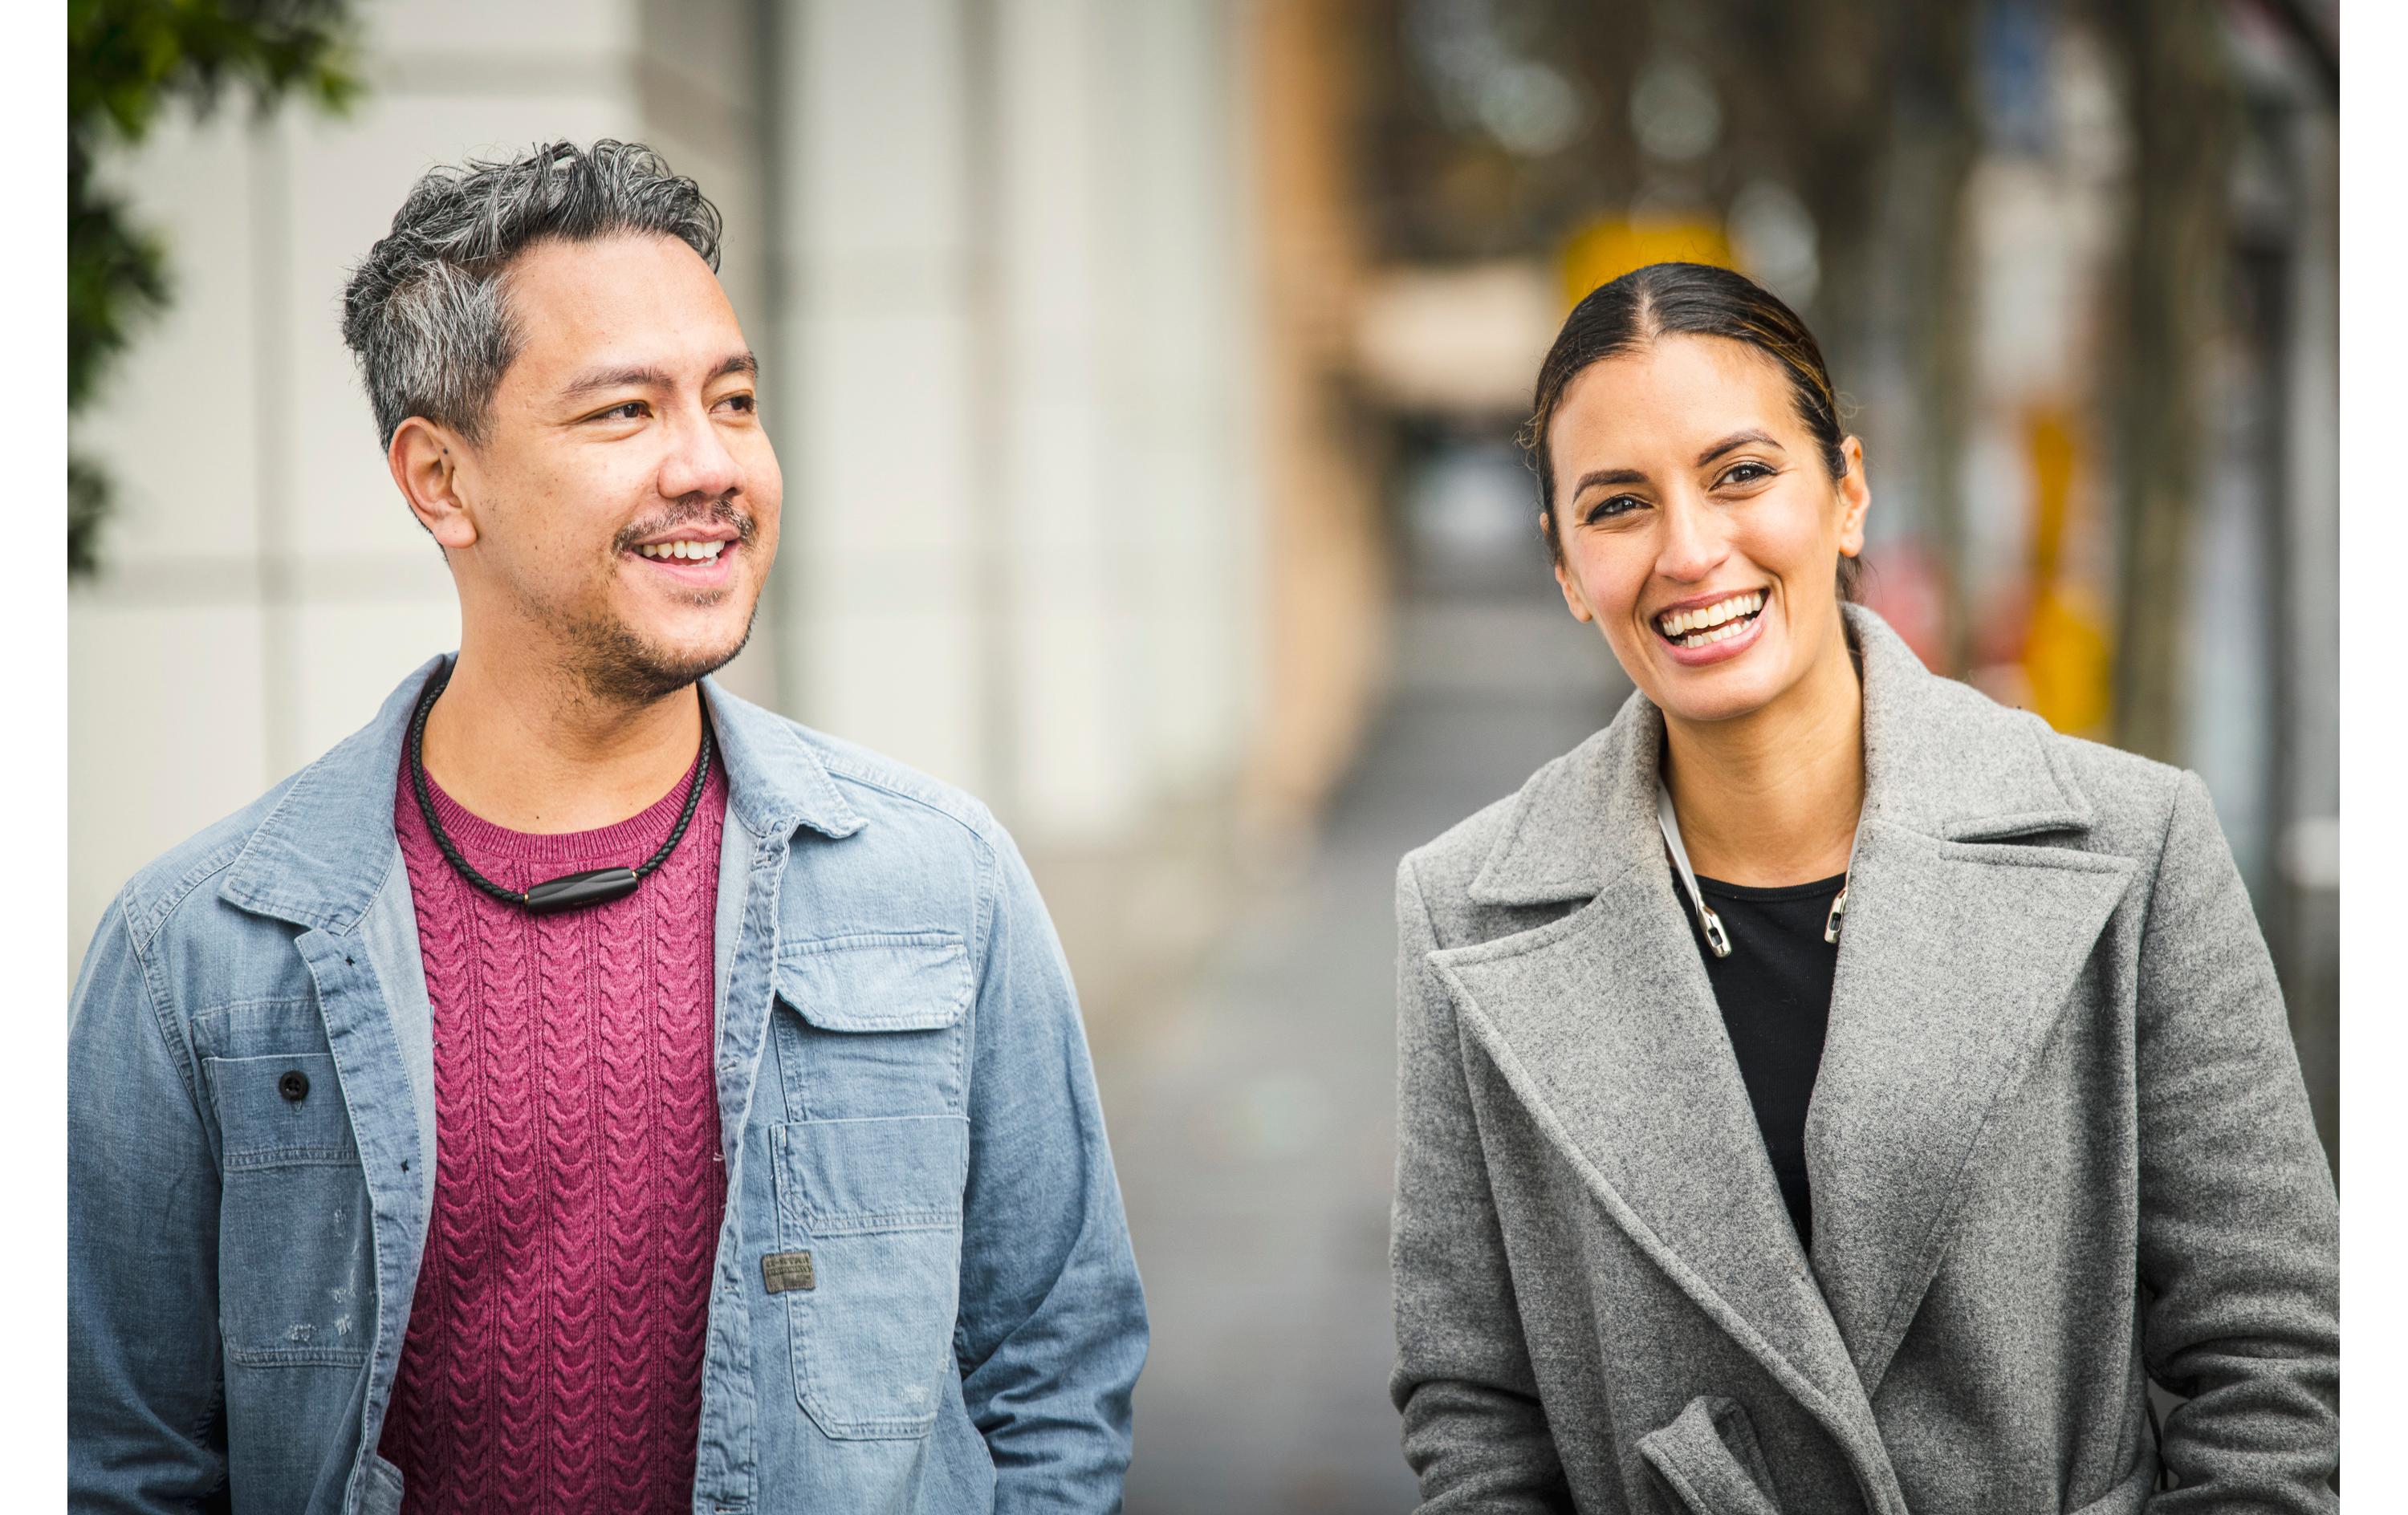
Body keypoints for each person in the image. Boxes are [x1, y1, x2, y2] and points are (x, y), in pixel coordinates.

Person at [67, 140, 1146, 1515]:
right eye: (625, 413)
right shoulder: (197, 954)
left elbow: (1056, 1365)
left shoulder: (939, 879)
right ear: (441, 481)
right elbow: (118, 1457)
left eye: (735, 400)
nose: (711, 466)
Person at [1388, 261, 2337, 1513]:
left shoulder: (2134, 841)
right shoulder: (1466, 908)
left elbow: (2276, 1362)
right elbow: (1474, 1415)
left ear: (1846, 491)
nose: (1689, 550)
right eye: (1619, 506)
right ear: (1566, 566)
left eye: (1741, 473)